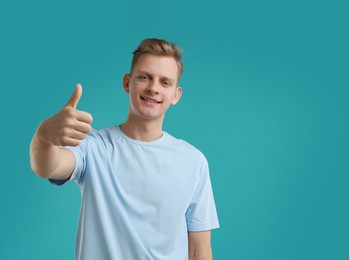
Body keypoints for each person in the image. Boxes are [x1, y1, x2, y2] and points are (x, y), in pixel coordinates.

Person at [30, 38, 219, 260]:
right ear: (127, 83)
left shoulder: (193, 161)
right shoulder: (93, 147)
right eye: (145, 77)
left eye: (164, 82)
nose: (153, 88)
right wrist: (44, 136)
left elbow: (198, 250)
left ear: (176, 95)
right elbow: (46, 166)